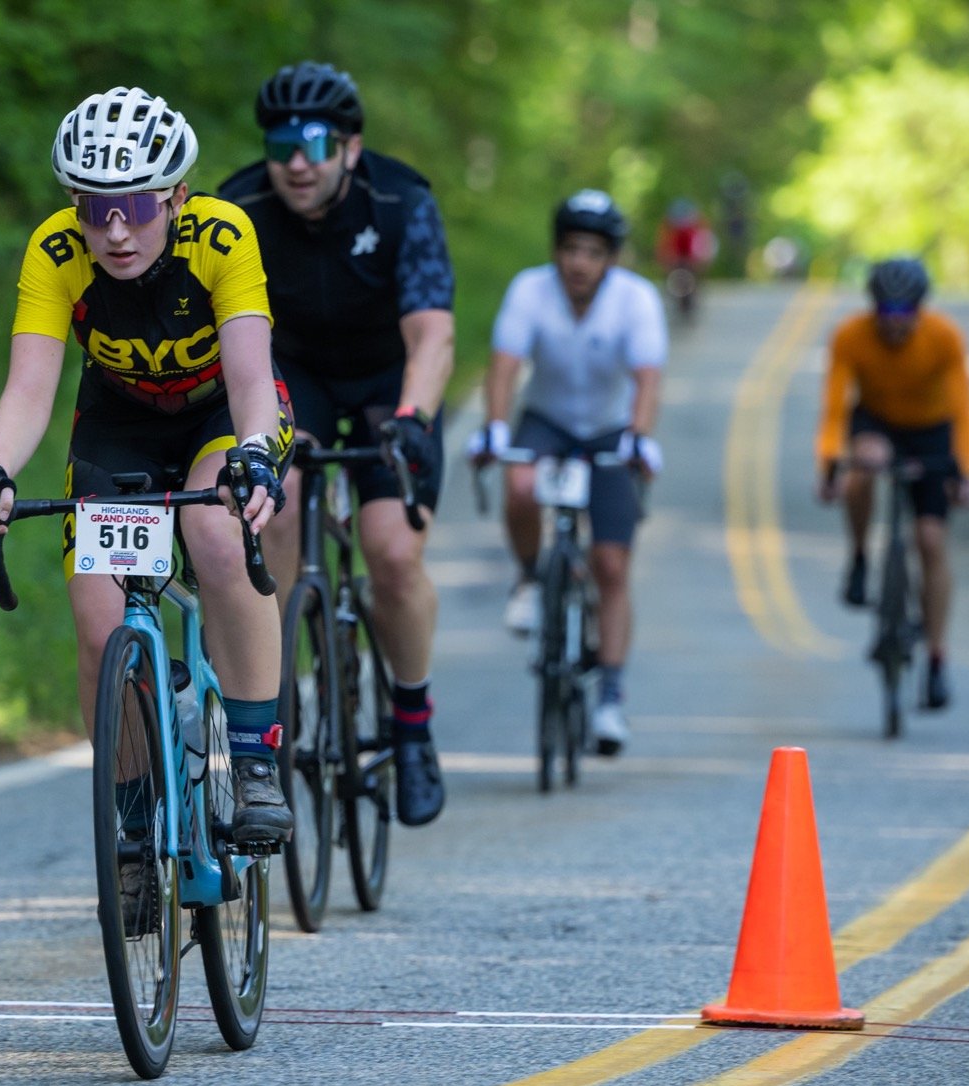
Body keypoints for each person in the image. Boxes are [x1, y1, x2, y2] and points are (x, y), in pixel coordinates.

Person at [0, 86, 295, 845]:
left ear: (175, 196)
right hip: (120, 424)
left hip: (220, 416)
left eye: (136, 207)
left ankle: (256, 757)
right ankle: (136, 825)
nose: (114, 230)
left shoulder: (222, 235)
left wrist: (256, 458)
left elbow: (249, 379)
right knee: (103, 627)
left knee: (213, 536)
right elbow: (30, 387)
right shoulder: (56, 250)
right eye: (93, 205)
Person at [218, 61, 455, 827]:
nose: (296, 161)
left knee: (391, 551)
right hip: (296, 378)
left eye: (314, 143)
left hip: (388, 378)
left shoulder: (402, 201)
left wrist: (414, 417)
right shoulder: (239, 207)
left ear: (350, 149)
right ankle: (274, 695)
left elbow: (433, 332)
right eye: (281, 142)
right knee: (275, 503)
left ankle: (412, 726)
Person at [466, 190, 666, 755]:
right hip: (548, 420)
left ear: (612, 259)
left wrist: (639, 438)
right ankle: (531, 577)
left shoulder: (636, 299)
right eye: (571, 249)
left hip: (609, 429)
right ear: (556, 252)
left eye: (594, 252)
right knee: (522, 483)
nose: (580, 262)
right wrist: (496, 428)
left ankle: (610, 695)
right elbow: (504, 366)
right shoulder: (530, 290)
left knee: (610, 563)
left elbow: (648, 377)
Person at [816, 257, 969, 709]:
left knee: (930, 540)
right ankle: (860, 557)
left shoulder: (944, 337)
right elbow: (833, 408)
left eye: (905, 313)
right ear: (873, 308)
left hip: (932, 430)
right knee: (864, 463)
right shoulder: (851, 335)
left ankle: (937, 659)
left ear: (920, 310)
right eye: (885, 312)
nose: (894, 323)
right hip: (877, 422)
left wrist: (964, 471)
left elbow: (964, 409)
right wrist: (830, 463)